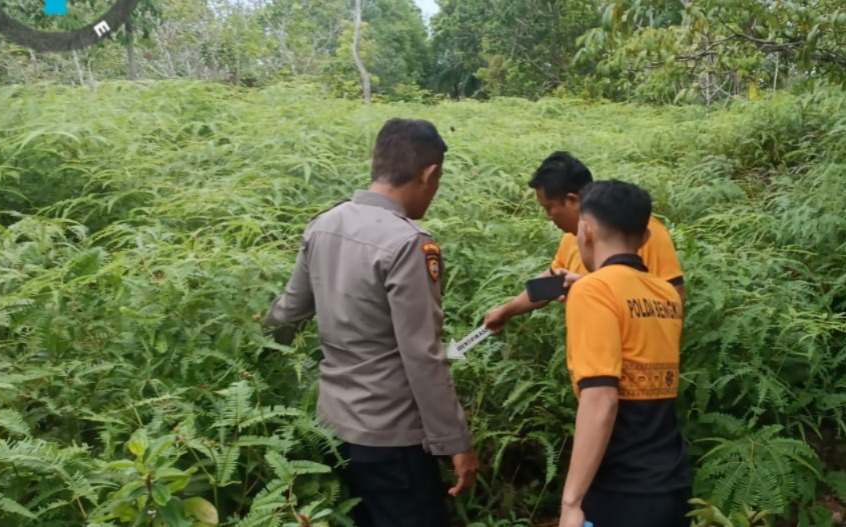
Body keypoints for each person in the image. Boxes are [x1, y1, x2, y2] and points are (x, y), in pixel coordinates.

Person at [262, 117, 479, 527]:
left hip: (332, 427)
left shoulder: (325, 224)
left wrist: (253, 368)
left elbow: (286, 313)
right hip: (391, 435)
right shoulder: (408, 243)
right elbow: (422, 356)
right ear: (429, 174)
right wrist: (455, 442)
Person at [557, 179, 692, 527]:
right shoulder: (666, 294)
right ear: (645, 237)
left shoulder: (593, 292)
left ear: (586, 231)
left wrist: (571, 501)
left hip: (619, 490)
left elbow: (601, 398)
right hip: (672, 484)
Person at [483, 151, 685, 333]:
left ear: (572, 200)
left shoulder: (635, 230)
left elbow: (673, 301)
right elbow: (550, 283)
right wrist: (505, 312)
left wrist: (591, 291)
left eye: (549, 208)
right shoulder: (571, 238)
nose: (549, 217)